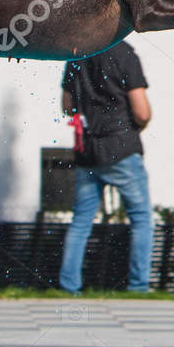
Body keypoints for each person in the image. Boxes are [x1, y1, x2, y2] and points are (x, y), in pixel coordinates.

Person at [58, 40, 153, 293]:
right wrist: (132, 130)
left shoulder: (76, 54)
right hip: (122, 147)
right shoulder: (124, 54)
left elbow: (68, 107)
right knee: (141, 219)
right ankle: (138, 286)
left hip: (88, 148)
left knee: (81, 222)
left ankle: (69, 286)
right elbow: (141, 112)